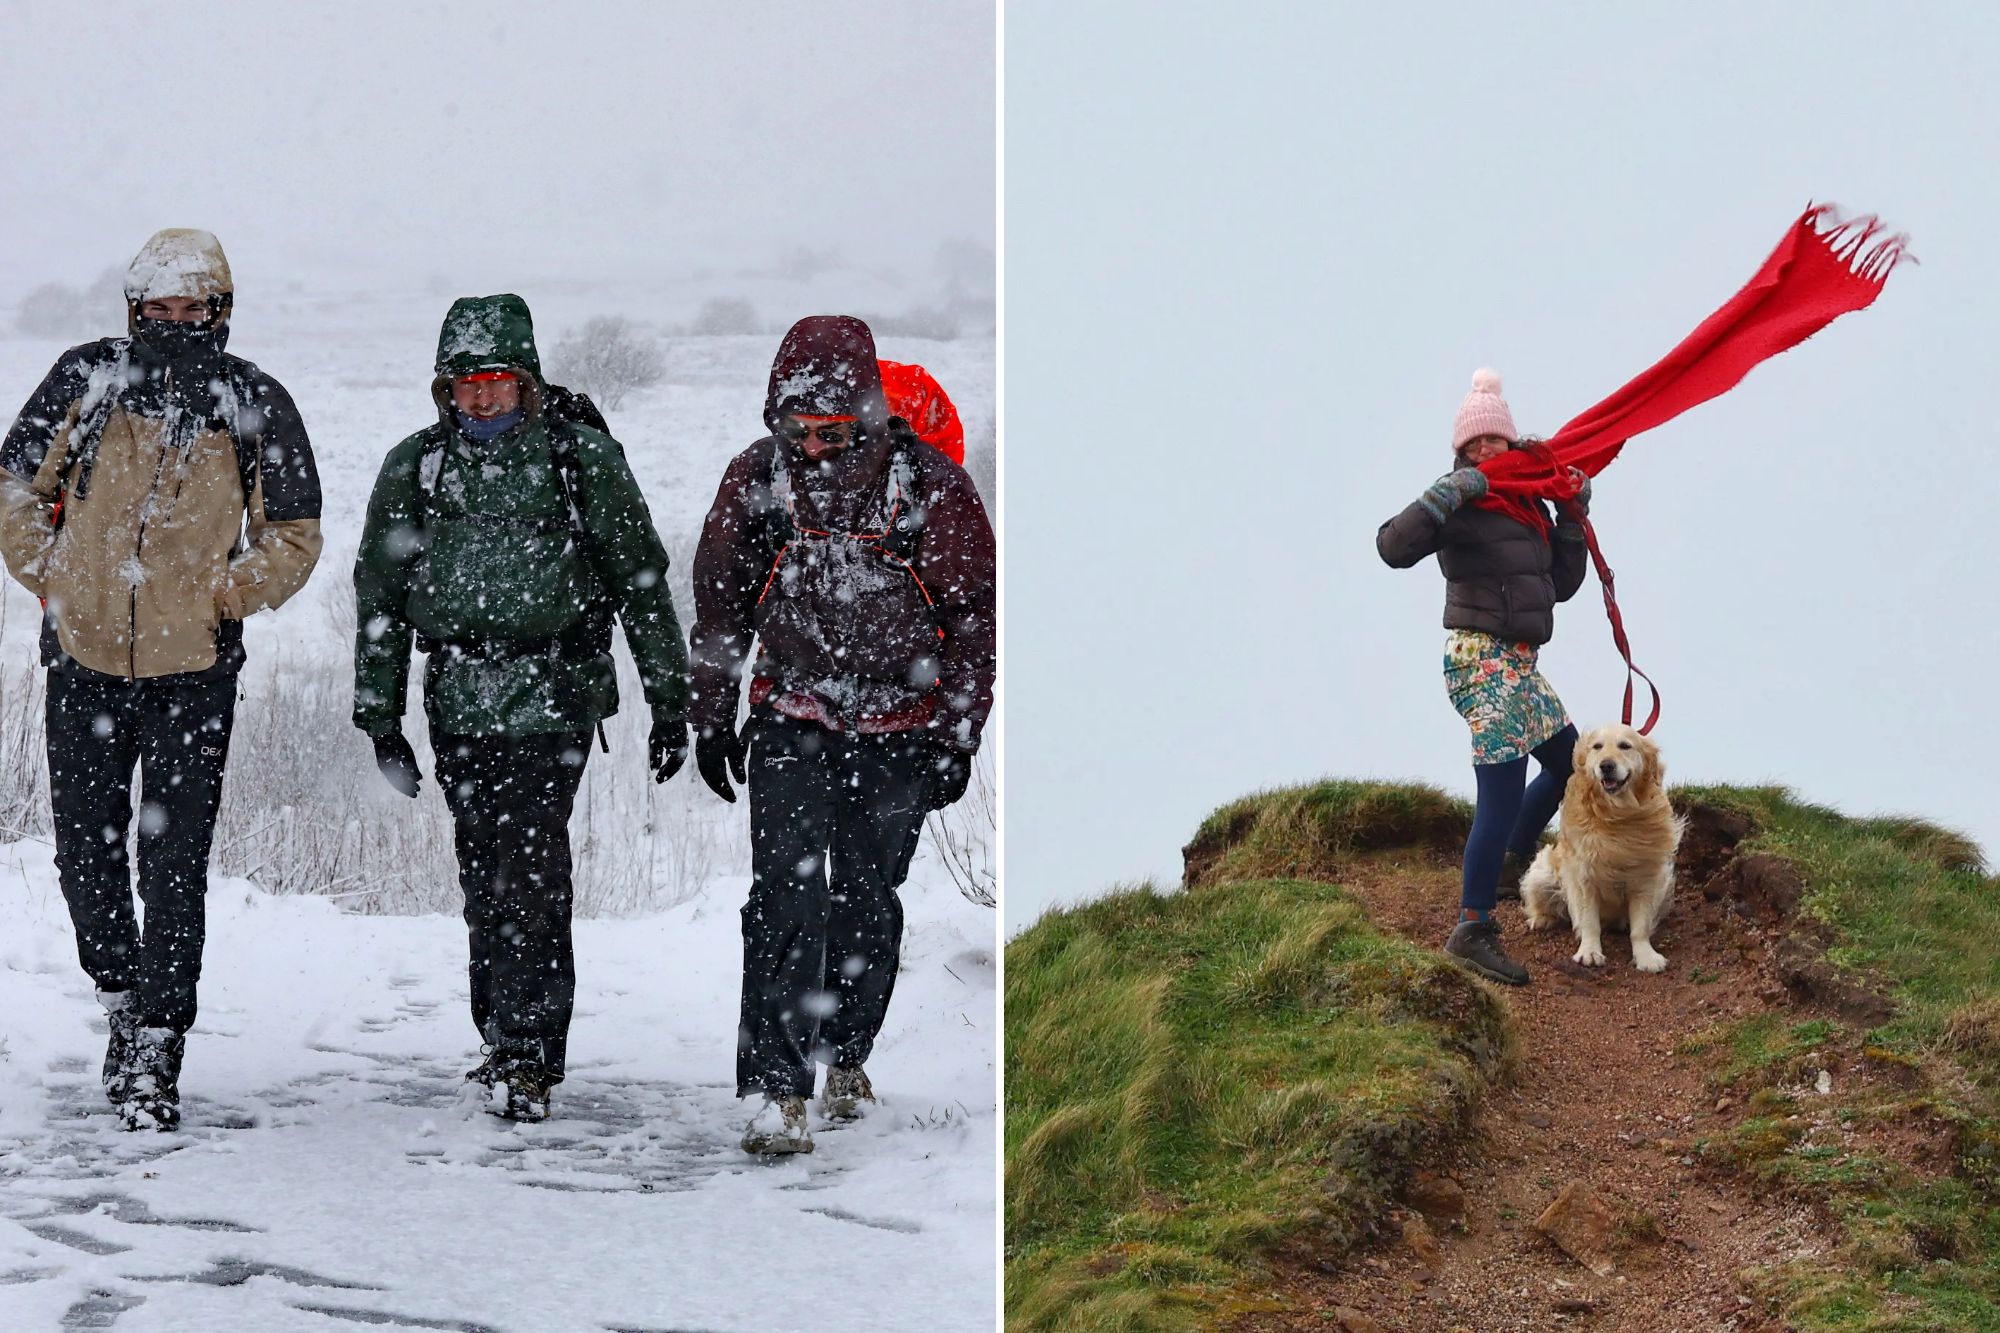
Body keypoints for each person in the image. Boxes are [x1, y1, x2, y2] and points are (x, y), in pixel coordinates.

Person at [0, 229, 323, 1130]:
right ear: (133, 309)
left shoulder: (254, 398)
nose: (175, 323)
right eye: (160, 309)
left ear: (220, 312)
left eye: (194, 309)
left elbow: (294, 533)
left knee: (173, 867)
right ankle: (118, 991)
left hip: (195, 673)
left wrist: (228, 593)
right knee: (83, 859)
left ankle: (156, 1042)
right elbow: (12, 486)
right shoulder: (85, 377)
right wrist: (56, 574)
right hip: (86, 663)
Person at [351, 293, 689, 1122]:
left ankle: (532, 1055)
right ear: (445, 388)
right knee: (483, 871)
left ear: (527, 380)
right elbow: (380, 595)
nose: (480, 397)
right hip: (458, 700)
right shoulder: (416, 468)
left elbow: (641, 581)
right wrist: (381, 716)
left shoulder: (582, 462)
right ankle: (500, 1034)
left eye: (496, 379)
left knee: (532, 869)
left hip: (554, 697)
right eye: (464, 382)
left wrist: (670, 699)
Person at [690, 315, 995, 1154]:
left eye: (834, 430)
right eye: (800, 429)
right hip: (791, 715)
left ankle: (846, 1054)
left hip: (901, 725)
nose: (816, 446)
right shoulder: (756, 482)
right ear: (775, 419)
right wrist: (712, 715)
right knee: (784, 898)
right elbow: (719, 610)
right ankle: (775, 1092)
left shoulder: (932, 491)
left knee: (867, 900)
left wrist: (956, 736)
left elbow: (972, 622)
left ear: (869, 416)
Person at [1377, 369, 1591, 986]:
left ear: (1509, 438)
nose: (1482, 451)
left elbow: (1561, 586)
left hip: (1520, 662)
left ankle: (1507, 865)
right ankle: (1471, 927)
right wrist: (1442, 496)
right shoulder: (1462, 496)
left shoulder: (1525, 503)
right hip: (1479, 657)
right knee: (1500, 786)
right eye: (1471, 445)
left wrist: (1570, 518)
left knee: (1569, 762)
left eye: (1491, 441)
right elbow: (1392, 547)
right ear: (1460, 450)